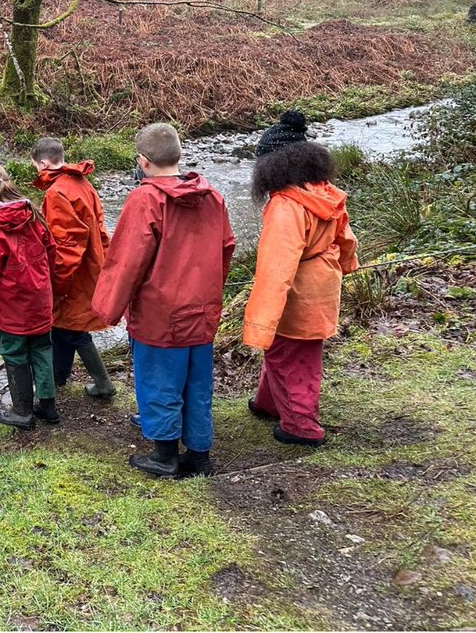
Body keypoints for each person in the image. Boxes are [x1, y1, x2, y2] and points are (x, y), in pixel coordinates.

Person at [92, 123, 235, 478]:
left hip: (159, 312)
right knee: (197, 384)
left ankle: (165, 456)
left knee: (159, 382)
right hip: (202, 309)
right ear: (178, 155)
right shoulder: (212, 196)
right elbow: (226, 248)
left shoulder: (145, 198)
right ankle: (199, 456)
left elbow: (127, 261)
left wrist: (106, 309)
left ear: (143, 161)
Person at [243, 139, 359, 448]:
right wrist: (346, 265)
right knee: (293, 350)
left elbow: (276, 269)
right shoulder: (324, 191)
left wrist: (260, 323)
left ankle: (301, 426)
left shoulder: (286, 205)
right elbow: (346, 238)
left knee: (287, 355)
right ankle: (268, 404)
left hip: (298, 289)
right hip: (324, 282)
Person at [0, 162, 57, 429]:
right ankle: (48, 407)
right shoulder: (31, 212)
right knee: (43, 348)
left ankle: (21, 411)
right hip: (40, 296)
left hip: (12, 303)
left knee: (14, 352)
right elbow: (51, 250)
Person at [30, 137, 116, 400]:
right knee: (64, 326)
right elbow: (100, 228)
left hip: (74, 274)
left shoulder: (57, 192)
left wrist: (56, 284)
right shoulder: (82, 182)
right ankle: (59, 376)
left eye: (36, 167)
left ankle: (103, 384)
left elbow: (65, 247)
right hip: (90, 266)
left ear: (44, 163)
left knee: (73, 328)